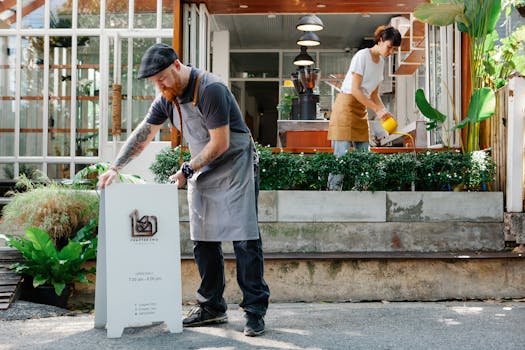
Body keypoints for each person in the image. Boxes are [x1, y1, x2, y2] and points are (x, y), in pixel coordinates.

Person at [97, 43, 270, 337]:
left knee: (244, 239)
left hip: (234, 164)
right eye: (154, 81)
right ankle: (212, 307)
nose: (159, 85)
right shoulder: (168, 97)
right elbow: (144, 133)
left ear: (177, 65)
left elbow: (220, 143)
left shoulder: (210, 88)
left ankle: (254, 311)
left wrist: (188, 169)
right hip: (203, 167)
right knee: (203, 239)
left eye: (162, 77)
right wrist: (116, 167)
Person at [327, 25, 401, 191]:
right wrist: (377, 110)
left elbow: (373, 95)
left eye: (394, 50)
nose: (391, 52)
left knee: (364, 156)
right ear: (380, 40)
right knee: (341, 156)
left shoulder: (381, 62)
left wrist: (384, 112)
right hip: (345, 107)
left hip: (361, 109)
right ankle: (332, 193)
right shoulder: (362, 56)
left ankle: (362, 192)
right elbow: (355, 90)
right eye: (390, 47)